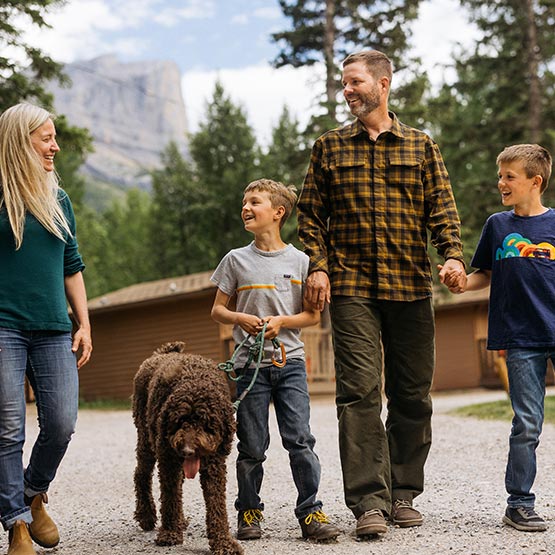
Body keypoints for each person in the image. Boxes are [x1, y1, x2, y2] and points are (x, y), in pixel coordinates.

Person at [296, 49, 465, 537]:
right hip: (352, 289)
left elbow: (443, 210)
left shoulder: (421, 146)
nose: (346, 90)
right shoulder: (329, 147)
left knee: (413, 394)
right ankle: (369, 501)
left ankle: (404, 491)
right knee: (360, 392)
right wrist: (320, 266)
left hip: (410, 285)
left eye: (355, 82)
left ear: (383, 84)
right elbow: (310, 214)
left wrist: (452, 255)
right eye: (343, 83)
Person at [211, 178, 340, 543]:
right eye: (244, 202)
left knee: (300, 439)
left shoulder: (301, 262)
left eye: (255, 202)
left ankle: (311, 511)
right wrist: (241, 319)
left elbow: (312, 318)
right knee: (252, 445)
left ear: (278, 212)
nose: (246, 208)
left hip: (291, 364)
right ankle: (249, 511)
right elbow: (218, 310)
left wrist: (282, 322)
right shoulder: (235, 260)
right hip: (249, 367)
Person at [441, 143, 554, 532]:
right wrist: (459, 284)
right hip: (520, 338)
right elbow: (483, 277)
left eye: (509, 176)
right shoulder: (497, 226)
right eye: (500, 175)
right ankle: (519, 504)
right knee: (527, 423)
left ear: (534, 181)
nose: (500, 182)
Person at [0, 103, 92, 555]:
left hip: (54, 328)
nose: (55, 146)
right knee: (7, 427)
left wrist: (85, 323)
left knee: (61, 422)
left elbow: (71, 266)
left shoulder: (59, 200)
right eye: (45, 138)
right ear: (21, 141)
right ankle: (16, 523)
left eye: (54, 137)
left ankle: (34, 492)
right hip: (3, 328)